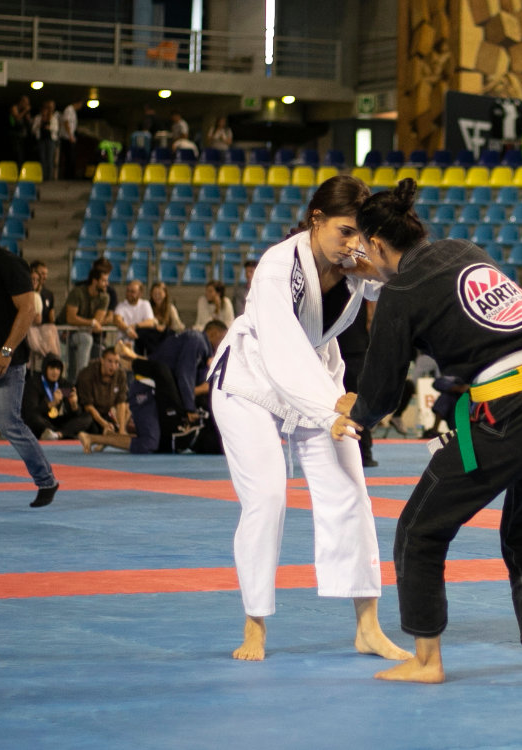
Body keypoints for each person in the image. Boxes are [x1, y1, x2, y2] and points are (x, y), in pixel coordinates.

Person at [347, 177, 522, 684]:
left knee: (420, 529)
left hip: (515, 412)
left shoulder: (400, 292)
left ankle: (426, 661)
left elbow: (383, 394)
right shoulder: (465, 251)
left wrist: (356, 412)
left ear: (377, 244)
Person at [208, 175, 408, 663]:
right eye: (345, 231)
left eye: (360, 234)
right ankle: (254, 624)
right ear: (316, 220)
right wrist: (327, 411)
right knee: (267, 495)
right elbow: (282, 351)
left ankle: (368, 627)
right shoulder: (279, 266)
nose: (352, 243)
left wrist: (381, 259)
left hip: (314, 380)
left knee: (351, 489)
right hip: (252, 381)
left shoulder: (353, 266)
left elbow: (399, 278)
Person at [0, 214, 59, 508]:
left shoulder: (9, 263)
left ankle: (46, 480)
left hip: (8, 361)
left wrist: (6, 351)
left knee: (9, 425)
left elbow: (28, 309)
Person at [79, 327, 225, 455]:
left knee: (158, 441)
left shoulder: (200, 349)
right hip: (147, 387)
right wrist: (190, 408)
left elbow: (183, 380)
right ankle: (92, 438)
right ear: (213, 333)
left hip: (159, 389)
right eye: (222, 338)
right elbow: (184, 375)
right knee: (149, 442)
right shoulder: (197, 341)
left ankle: (110, 437)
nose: (224, 343)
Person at [337, 303, 378, 467]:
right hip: (352, 347)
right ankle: (363, 453)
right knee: (356, 401)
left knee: (356, 402)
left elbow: (371, 316)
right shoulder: (362, 290)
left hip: (350, 347)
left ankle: (363, 452)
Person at [22, 354, 91, 440]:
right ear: (45, 369)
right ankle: (60, 433)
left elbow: (75, 415)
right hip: (40, 421)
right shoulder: (34, 383)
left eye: (58, 369)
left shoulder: (63, 384)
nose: (55, 372)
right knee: (34, 418)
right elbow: (30, 412)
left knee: (87, 417)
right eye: (52, 368)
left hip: (54, 422)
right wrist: (51, 404)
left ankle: (58, 434)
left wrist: (74, 405)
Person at [61, 265, 110, 379]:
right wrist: (91, 323)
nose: (107, 284)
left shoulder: (104, 297)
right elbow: (70, 318)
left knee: (88, 340)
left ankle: (81, 379)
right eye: (103, 281)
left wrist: (91, 323)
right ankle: (82, 379)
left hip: (82, 332)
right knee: (86, 339)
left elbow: (97, 322)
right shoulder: (78, 292)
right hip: (64, 331)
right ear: (94, 281)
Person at [75, 346, 130, 437]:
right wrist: (104, 423)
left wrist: (121, 429)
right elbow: (88, 406)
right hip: (85, 413)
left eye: (116, 362)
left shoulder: (120, 375)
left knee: (114, 429)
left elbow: (121, 403)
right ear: (102, 360)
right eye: (110, 361)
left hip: (104, 413)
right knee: (95, 429)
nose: (113, 366)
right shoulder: (87, 375)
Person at [25, 263, 61, 364]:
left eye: (36, 280)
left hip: (16, 350)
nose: (34, 282)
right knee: (8, 352)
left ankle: (53, 362)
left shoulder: (37, 297)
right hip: (11, 344)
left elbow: (39, 319)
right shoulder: (20, 296)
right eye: (32, 279)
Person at [113, 280, 156, 345]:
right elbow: (117, 320)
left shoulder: (145, 304)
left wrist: (135, 326)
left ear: (140, 294)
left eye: (132, 292)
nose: (129, 294)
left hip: (140, 343)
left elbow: (151, 322)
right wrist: (127, 330)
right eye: (128, 291)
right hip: (123, 342)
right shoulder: (121, 306)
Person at [31, 100, 59, 180]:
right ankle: (43, 176)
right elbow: (33, 130)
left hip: (50, 140)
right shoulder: (38, 118)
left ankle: (49, 177)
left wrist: (49, 128)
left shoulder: (53, 118)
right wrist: (38, 126)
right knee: (42, 158)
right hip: (41, 140)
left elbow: (56, 129)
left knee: (50, 159)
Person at [59, 98, 84, 179]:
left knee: (72, 157)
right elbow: (66, 122)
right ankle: (67, 176)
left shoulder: (73, 111)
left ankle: (70, 175)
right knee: (68, 157)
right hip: (66, 137)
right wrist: (70, 136)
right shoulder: (69, 109)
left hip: (71, 136)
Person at [8, 95, 32, 165]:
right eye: (25, 102)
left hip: (23, 137)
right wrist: (25, 111)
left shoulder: (25, 112)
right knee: (16, 156)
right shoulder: (14, 107)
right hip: (14, 137)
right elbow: (17, 119)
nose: (27, 104)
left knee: (22, 156)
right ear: (21, 101)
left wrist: (28, 117)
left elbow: (29, 123)